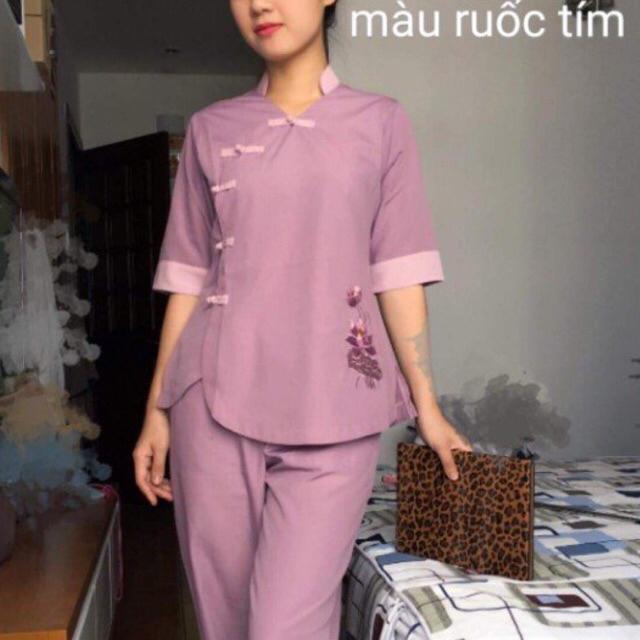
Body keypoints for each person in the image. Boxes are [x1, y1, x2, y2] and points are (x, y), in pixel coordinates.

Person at [133, 1, 473, 638]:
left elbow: (397, 272)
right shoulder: (210, 129)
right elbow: (187, 279)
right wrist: (158, 410)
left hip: (336, 403)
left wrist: (427, 405)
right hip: (211, 399)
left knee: (283, 625)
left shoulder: (380, 122)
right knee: (225, 622)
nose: (260, 4)